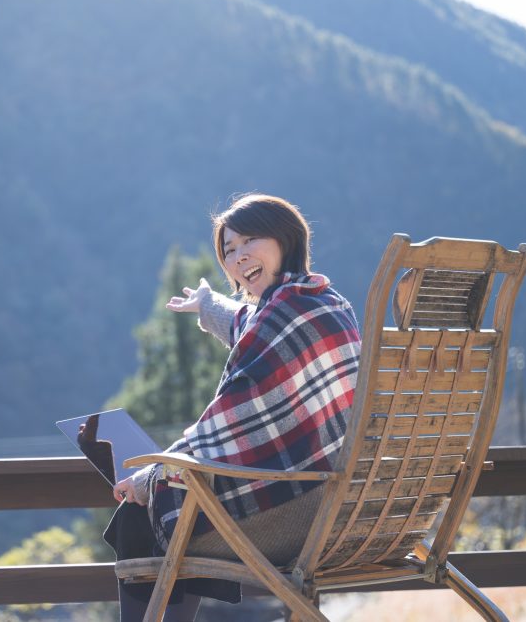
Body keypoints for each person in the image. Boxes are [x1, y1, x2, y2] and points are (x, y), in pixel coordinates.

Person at [106, 193, 362, 621]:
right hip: (344, 507)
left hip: (299, 513)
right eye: (228, 249)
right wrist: (208, 305)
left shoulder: (281, 314)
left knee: (145, 514)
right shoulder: (323, 302)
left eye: (249, 240)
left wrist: (152, 474)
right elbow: (249, 322)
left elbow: (226, 422)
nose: (238, 256)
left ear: (285, 238)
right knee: (183, 504)